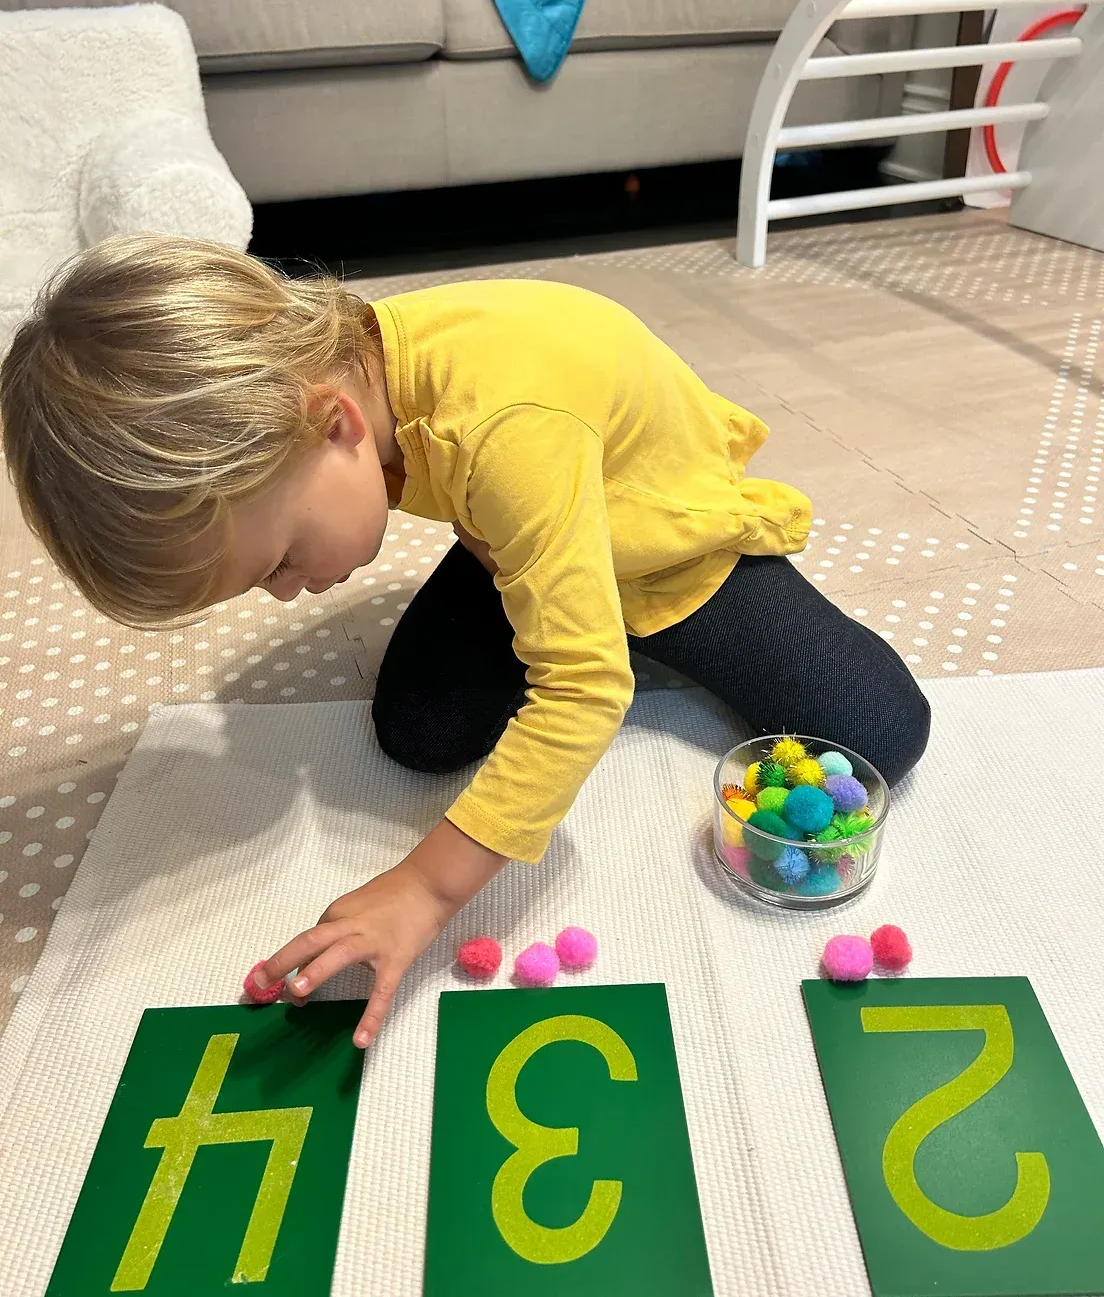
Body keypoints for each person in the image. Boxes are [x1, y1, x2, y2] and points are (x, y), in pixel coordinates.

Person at [0, 235, 929, 1047]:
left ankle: (604, 601)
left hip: (668, 548)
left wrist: (426, 888)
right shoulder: (350, 375)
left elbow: (582, 689)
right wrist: (519, 558)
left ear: (337, 423)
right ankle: (558, 584)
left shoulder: (504, 430)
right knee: (417, 732)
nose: (288, 594)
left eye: (279, 558)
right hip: (511, 534)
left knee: (874, 732)